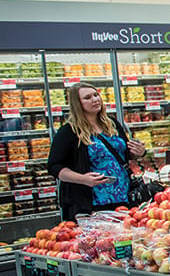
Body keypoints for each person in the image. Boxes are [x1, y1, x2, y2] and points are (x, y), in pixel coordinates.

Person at [47, 83, 145, 220]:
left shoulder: (112, 124)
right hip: (90, 202)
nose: (95, 99)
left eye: (96, 95)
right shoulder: (69, 132)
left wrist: (137, 153)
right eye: (87, 97)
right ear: (77, 104)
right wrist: (83, 179)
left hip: (123, 197)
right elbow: (54, 167)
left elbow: (123, 155)